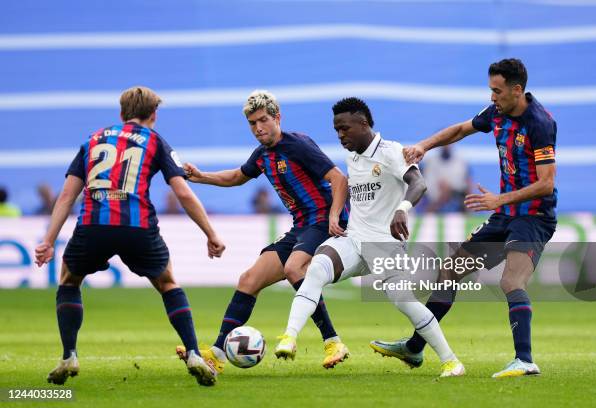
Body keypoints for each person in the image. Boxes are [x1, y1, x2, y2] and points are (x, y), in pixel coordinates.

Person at [34, 86, 225, 386]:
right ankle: (192, 353)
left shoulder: (93, 140)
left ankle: (69, 354)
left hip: (93, 225)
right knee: (167, 283)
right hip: (137, 227)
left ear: (121, 113)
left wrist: (48, 240)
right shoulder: (155, 141)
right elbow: (183, 192)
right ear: (154, 114)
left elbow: (67, 196)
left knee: (69, 279)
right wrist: (211, 233)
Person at [274, 97, 465, 378]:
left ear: (363, 124)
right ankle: (289, 337)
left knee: (404, 302)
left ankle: (451, 361)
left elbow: (419, 184)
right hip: (353, 240)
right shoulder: (352, 157)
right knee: (315, 268)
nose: (340, 135)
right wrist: (336, 213)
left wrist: (402, 208)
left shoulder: (392, 152)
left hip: (383, 245)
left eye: (345, 128)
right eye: (336, 129)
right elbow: (356, 190)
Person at [396, 58, 557, 378]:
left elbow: (546, 183)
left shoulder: (539, 123)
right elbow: (460, 129)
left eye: (497, 91)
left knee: (511, 281)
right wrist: (424, 146)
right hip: (505, 214)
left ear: (517, 90)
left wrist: (499, 199)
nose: (492, 97)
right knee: (450, 269)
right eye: (490, 91)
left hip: (534, 217)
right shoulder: (495, 113)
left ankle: (524, 360)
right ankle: (415, 347)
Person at [178, 90, 350, 374]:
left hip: (321, 221)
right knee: (249, 279)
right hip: (301, 227)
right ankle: (217, 354)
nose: (258, 128)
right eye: (252, 123)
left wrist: (335, 216)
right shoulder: (262, 155)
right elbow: (236, 177)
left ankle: (333, 341)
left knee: (296, 268)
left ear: (277, 118)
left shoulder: (298, 145)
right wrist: (200, 176)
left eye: (263, 120)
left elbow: (338, 178)